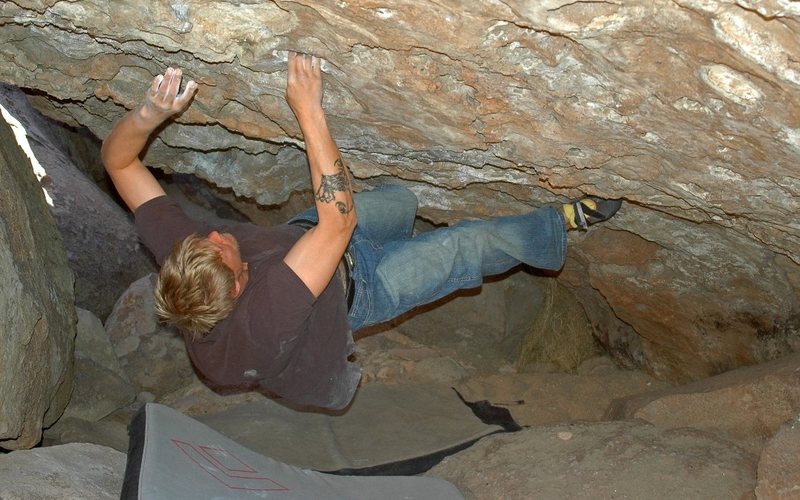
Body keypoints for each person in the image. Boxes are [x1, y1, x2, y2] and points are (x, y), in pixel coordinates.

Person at [101, 53, 622, 410]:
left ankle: (415, 235)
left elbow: (119, 162)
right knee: (468, 246)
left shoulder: (188, 262)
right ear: (238, 287)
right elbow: (340, 220)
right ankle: (560, 224)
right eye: (224, 251)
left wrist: (149, 114)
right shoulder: (267, 315)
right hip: (364, 288)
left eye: (205, 240)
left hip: (306, 236)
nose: (216, 235)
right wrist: (308, 110)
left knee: (403, 201)